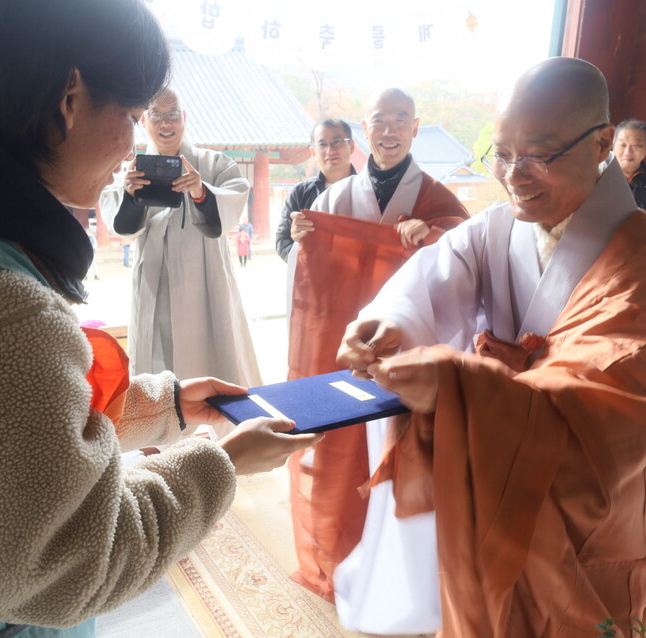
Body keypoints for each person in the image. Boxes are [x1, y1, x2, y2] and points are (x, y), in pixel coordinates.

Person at [0, 1, 321, 636]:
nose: (137, 142)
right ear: (70, 97)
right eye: (134, 116)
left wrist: (163, 407)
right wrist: (218, 459)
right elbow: (65, 562)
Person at [338, 57, 646, 637]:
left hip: (601, 528)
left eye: (538, 155)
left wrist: (460, 388)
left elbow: (615, 413)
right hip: (505, 496)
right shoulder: (500, 227)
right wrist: (389, 323)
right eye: (502, 153)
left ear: (603, 142)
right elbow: (428, 279)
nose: (513, 175)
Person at [286, 88, 468, 626]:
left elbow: (465, 262)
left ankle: (399, 579)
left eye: (399, 120)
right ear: (364, 131)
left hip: (403, 357)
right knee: (339, 451)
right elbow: (313, 285)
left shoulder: (438, 198)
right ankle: (334, 553)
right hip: (345, 349)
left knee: (400, 460)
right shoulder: (335, 198)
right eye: (378, 121)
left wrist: (434, 233)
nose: (388, 130)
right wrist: (303, 237)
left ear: (416, 128)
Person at [99, 88, 261, 387]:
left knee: (215, 358)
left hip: (205, 280)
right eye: (157, 116)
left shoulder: (214, 164)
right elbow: (121, 228)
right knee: (156, 363)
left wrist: (201, 192)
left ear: (184, 118)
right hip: (153, 281)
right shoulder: (130, 171)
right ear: (143, 121)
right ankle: (162, 428)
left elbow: (232, 205)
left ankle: (222, 429)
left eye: (172, 115)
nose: (166, 124)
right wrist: (131, 196)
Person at [274, 119, 357, 261]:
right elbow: (282, 241)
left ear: (352, 146)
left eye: (336, 142)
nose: (330, 150)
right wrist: (298, 246)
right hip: (315, 277)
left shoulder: (368, 189)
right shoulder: (300, 193)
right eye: (322, 144)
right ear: (313, 152)